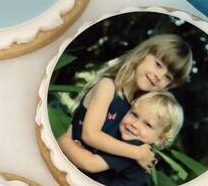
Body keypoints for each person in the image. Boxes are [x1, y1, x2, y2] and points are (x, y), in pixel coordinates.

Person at [56, 33, 193, 176]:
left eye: (168, 77)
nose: (159, 76)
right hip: (66, 165)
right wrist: (137, 153)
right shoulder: (108, 87)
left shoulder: (139, 107)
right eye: (158, 64)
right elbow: (90, 135)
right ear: (143, 54)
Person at [58, 91, 183, 186]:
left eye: (148, 125)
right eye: (134, 114)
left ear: (160, 138)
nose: (135, 124)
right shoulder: (123, 142)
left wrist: (65, 141)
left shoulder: (137, 148)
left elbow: (90, 164)